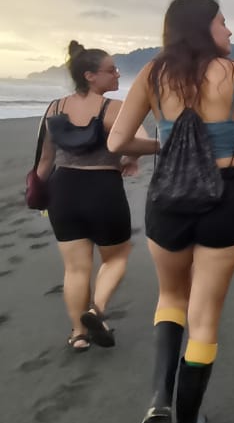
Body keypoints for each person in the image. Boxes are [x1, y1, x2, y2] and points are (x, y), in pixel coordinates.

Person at [108, 0, 234, 423]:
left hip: (168, 201)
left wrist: (169, 145)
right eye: (223, 21)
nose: (230, 31)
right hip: (226, 199)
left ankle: (161, 394)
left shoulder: (154, 74)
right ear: (203, 27)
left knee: (171, 296)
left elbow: (117, 140)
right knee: (205, 317)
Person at [34, 42, 155, 351]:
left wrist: (39, 195)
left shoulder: (54, 108)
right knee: (116, 257)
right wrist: (142, 154)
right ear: (89, 75)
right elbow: (139, 141)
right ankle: (96, 310)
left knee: (75, 269)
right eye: (111, 70)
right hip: (103, 190)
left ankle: (78, 334)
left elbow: (44, 162)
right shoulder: (115, 109)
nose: (117, 74)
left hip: (63, 191)